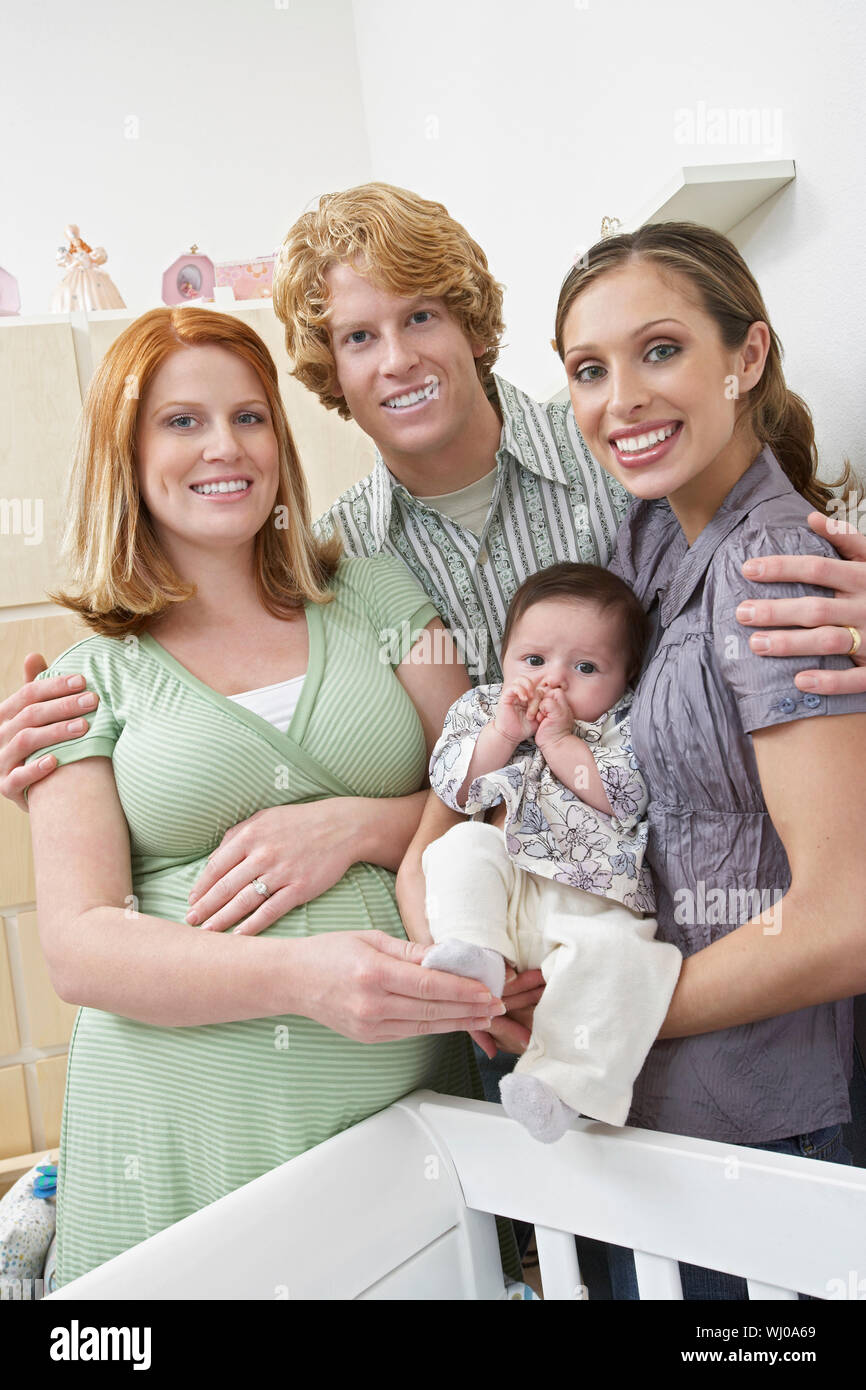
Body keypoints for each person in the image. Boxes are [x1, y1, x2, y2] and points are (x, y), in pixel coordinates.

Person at [2, 183, 865, 1053]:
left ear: (475, 328)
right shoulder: (341, 568)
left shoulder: (620, 447)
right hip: (510, 985)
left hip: (705, 973)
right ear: (328, 373)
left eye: (421, 318)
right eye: (358, 338)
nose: (397, 361)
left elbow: (774, 561)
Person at [21, 305, 517, 1287]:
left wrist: (358, 829)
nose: (225, 447)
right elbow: (80, 945)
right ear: (127, 450)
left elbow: (490, 783)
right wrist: (307, 981)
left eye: (249, 417)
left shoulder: (380, 596)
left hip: (401, 1134)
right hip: (176, 1141)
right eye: (181, 421)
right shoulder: (87, 679)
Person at [550, 219, 866, 1298]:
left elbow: (841, 919)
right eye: (588, 369)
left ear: (746, 357)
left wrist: (602, 1009)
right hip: (658, 1109)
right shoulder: (641, 543)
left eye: (658, 350)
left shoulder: (775, 569)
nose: (619, 399)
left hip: (769, 1121)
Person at [419, 562, 682, 1143]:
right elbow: (452, 786)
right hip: (506, 889)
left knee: (621, 961)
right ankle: (475, 950)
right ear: (506, 655)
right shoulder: (484, 710)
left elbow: (625, 796)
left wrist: (561, 742)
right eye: (534, 661)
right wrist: (502, 735)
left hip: (588, 897)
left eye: (585, 667)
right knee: (458, 848)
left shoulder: (624, 725)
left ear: (625, 678)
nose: (553, 681)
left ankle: (560, 1086)